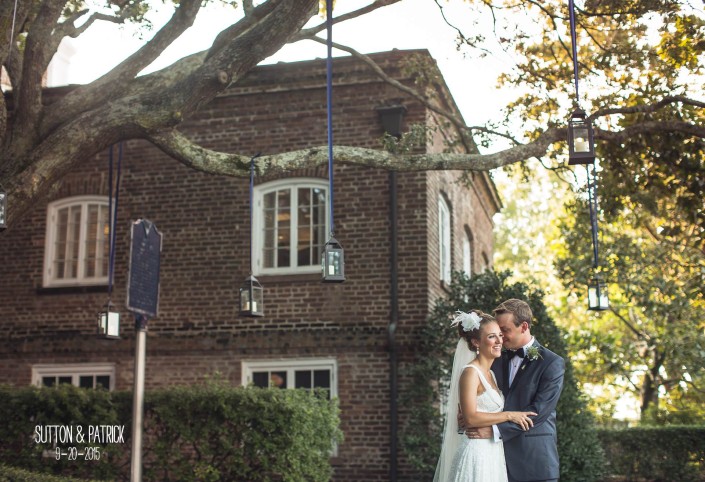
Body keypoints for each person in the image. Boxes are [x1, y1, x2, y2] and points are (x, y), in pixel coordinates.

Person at [465, 299, 565, 482]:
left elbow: (539, 411)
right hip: (492, 461)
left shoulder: (552, 363)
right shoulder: (494, 358)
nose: (500, 337)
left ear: (524, 326)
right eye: (497, 331)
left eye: (504, 330)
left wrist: (495, 431)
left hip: (533, 462)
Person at [434, 310, 538, 482]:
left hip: (493, 452)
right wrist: (510, 415)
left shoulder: (491, 374)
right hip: (476, 454)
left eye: (500, 335)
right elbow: (470, 418)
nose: (499, 341)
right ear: (476, 342)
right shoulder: (470, 373)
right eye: (492, 337)